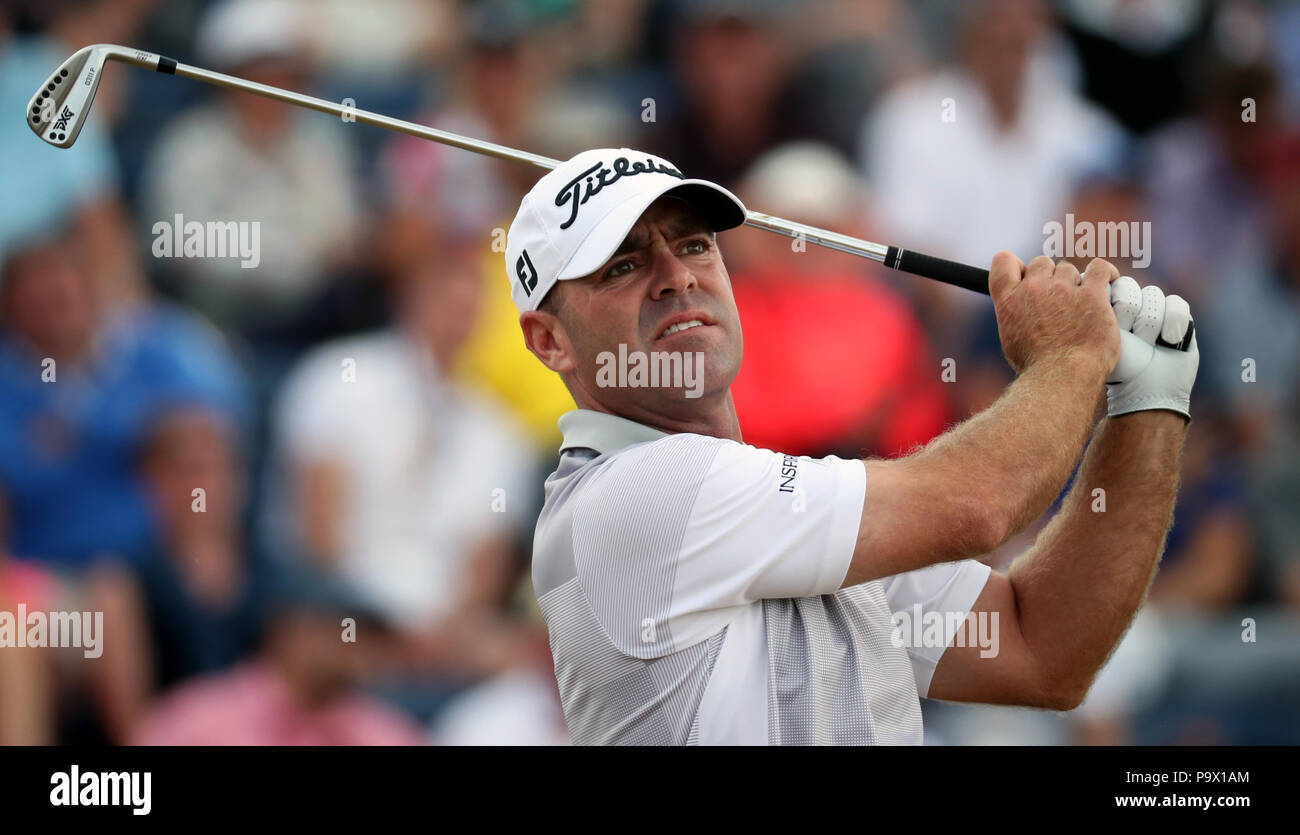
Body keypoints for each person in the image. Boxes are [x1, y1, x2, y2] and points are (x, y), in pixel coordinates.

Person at [506, 147, 1199, 744]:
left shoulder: (779, 505)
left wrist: (1148, 407)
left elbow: (1042, 650)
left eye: (693, 244)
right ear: (548, 340)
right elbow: (977, 504)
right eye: (623, 265)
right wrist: (1071, 355)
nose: (678, 274)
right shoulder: (624, 496)